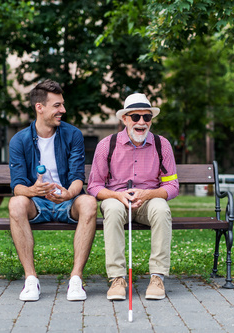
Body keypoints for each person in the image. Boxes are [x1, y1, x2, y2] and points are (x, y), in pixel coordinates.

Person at [8, 79, 97, 302]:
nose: (63, 110)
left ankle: (76, 280)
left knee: (89, 202)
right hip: (37, 202)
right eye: (57, 105)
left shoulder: (72, 134)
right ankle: (31, 280)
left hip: (67, 200)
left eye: (62, 105)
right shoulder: (19, 140)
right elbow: (17, 186)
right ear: (40, 107)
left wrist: (69, 193)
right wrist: (32, 190)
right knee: (16, 203)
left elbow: (78, 177)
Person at [87, 93, 179, 301]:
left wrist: (149, 194)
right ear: (124, 119)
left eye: (147, 117)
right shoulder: (107, 145)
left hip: (148, 201)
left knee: (161, 207)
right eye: (135, 117)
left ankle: (157, 277)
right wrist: (117, 195)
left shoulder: (161, 144)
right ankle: (117, 278)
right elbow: (94, 186)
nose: (141, 122)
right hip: (117, 199)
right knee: (110, 207)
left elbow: (172, 185)